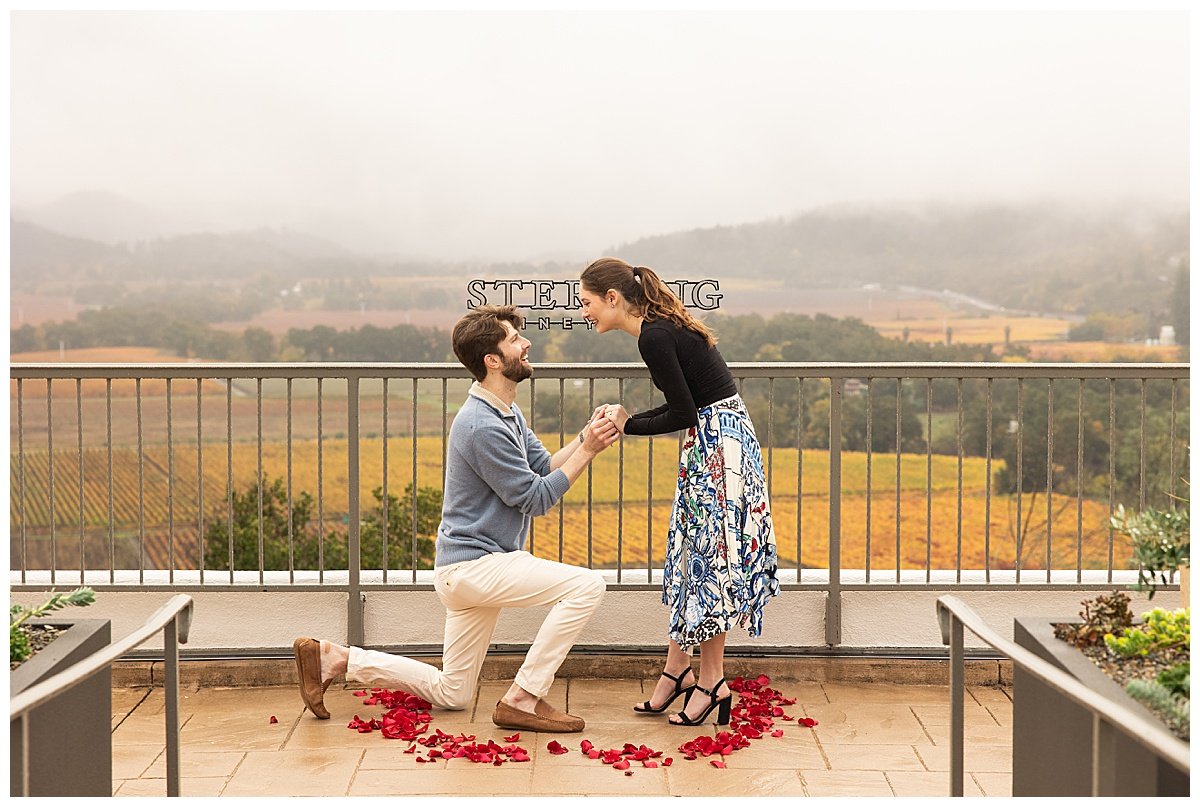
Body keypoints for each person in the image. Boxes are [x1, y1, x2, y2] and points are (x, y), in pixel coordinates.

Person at [294, 304, 620, 732]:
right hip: (476, 567)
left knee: (454, 693)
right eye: (515, 340)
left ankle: (337, 658)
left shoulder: (505, 413)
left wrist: (584, 436)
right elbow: (536, 499)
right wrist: (591, 450)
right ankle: (524, 697)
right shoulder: (481, 426)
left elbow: (543, 468)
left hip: (467, 569)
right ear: (493, 360)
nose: (526, 344)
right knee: (587, 586)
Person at [578, 257, 780, 727]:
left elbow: (683, 412)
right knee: (696, 554)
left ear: (613, 299)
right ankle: (678, 671)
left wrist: (629, 424)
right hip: (722, 441)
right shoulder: (660, 328)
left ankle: (711, 682)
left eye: (587, 303)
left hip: (716, 448)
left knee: (708, 560)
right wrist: (632, 421)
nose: (585, 312)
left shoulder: (653, 336)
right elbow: (686, 405)